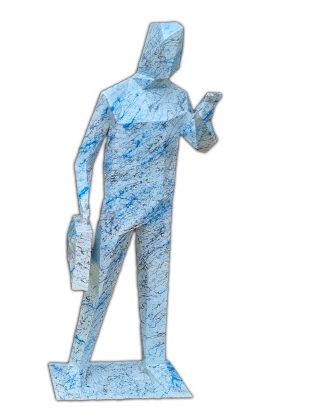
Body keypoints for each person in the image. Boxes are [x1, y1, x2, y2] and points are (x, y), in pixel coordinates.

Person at [69, 21, 222, 371]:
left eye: (177, 50)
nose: (172, 58)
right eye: (166, 49)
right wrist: (84, 208)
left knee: (156, 290)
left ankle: (155, 363)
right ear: (151, 48)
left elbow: (200, 143)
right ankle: (77, 365)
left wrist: (205, 114)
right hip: (118, 211)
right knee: (98, 287)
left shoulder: (177, 98)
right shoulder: (115, 97)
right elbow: (83, 157)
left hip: (160, 210)